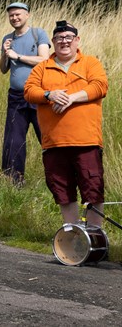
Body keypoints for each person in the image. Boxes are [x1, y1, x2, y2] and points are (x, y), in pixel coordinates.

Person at [23, 21, 108, 228]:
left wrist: (71, 98)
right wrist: (48, 94)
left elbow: (100, 86)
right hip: (54, 143)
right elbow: (29, 91)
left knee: (93, 189)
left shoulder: (90, 63)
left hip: (86, 141)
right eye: (59, 38)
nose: (64, 41)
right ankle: (72, 237)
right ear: (53, 42)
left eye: (69, 37)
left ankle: (95, 238)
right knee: (62, 191)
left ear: (77, 41)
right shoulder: (43, 67)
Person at [0, 2, 49, 185]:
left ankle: (57, 177)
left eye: (18, 14)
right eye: (11, 15)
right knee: (14, 140)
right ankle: (15, 181)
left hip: (39, 95)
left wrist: (17, 56)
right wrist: (5, 53)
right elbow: (3, 69)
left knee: (46, 137)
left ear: (27, 15)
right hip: (16, 96)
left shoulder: (38, 34)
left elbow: (44, 60)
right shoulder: (7, 38)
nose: (14, 18)